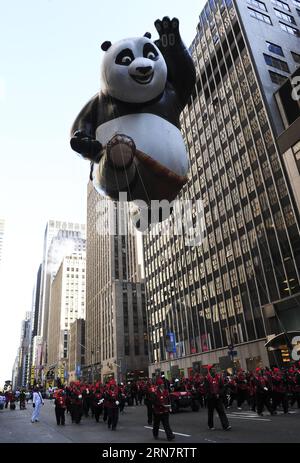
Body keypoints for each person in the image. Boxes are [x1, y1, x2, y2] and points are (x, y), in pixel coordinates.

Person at [204, 365, 231, 431]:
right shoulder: (207, 378)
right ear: (210, 370)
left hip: (218, 398)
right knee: (210, 413)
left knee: (221, 411)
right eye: (213, 369)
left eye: (214, 369)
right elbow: (206, 389)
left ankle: (226, 425)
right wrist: (213, 394)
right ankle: (210, 425)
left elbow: (222, 387)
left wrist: (219, 393)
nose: (214, 370)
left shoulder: (218, 377)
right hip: (211, 398)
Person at [151, 377, 175, 441]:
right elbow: (153, 401)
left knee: (166, 424)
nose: (163, 385)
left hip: (165, 410)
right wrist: (160, 405)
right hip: (158, 411)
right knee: (156, 424)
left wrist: (169, 406)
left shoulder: (166, 391)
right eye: (161, 384)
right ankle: (155, 434)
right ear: (158, 385)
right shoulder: (155, 392)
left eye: (163, 384)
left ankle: (170, 436)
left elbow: (168, 399)